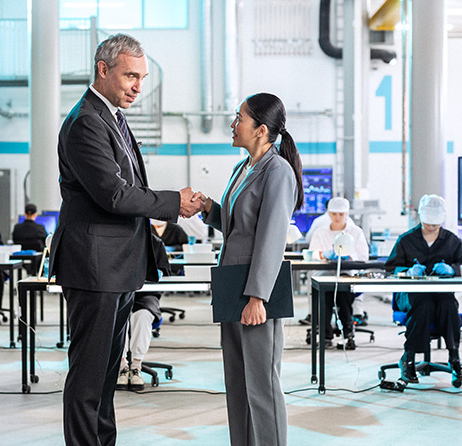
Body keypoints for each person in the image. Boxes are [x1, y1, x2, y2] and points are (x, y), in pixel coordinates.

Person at [46, 33, 201, 445]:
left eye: (142, 77)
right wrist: (173, 202)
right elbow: (112, 194)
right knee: (88, 378)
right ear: (103, 69)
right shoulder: (85, 123)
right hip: (95, 267)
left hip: (115, 267)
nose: (137, 86)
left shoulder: (112, 116)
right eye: (130, 76)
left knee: (105, 376)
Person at [195, 92, 303, 446]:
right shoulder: (243, 168)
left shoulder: (278, 171)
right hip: (231, 287)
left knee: (262, 386)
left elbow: (272, 238)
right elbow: (238, 226)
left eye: (239, 117)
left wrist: (258, 296)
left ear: (260, 130)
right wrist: (208, 207)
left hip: (255, 292)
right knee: (238, 384)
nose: (233, 123)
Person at [385, 194, 462, 384]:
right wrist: (408, 271)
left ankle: (454, 358)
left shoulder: (453, 241)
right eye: (427, 224)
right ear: (421, 219)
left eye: (435, 225)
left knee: (448, 303)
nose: (431, 228)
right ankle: (408, 358)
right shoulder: (406, 240)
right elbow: (391, 268)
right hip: (409, 295)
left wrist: (452, 269)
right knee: (422, 303)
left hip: (440, 294)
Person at [308, 196, 369, 350]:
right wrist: (323, 254)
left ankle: (348, 333)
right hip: (324, 275)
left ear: (346, 214)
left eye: (341, 214)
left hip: (347, 274)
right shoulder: (321, 232)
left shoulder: (356, 232)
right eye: (334, 214)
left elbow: (363, 256)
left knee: (343, 296)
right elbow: (313, 252)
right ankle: (325, 334)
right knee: (324, 297)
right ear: (329, 214)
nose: (337, 218)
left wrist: (348, 256)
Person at [117, 234, 170, 391]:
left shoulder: (155, 243)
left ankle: (136, 366)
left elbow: (164, 272)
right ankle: (122, 366)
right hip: (119, 293)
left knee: (142, 315)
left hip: (146, 295)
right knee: (118, 317)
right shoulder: (117, 238)